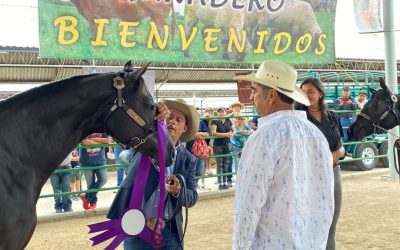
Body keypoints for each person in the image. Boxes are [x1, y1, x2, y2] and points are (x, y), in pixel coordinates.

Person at [232, 60, 334, 249]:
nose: (252, 97)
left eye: (255, 91)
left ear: (271, 95)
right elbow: (326, 202)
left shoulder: (263, 138)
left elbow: (248, 204)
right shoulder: (316, 136)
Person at [107, 99, 199, 250]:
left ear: (185, 128)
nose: (172, 122)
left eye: (178, 119)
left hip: (169, 232)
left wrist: (177, 191)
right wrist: (152, 111)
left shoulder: (188, 160)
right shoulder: (143, 142)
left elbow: (191, 198)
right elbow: (126, 121)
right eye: (169, 117)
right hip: (136, 227)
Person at [299, 77, 345, 250]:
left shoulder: (333, 116)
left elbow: (341, 147)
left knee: (330, 226)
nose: (306, 95)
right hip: (308, 176)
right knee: (308, 224)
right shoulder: (299, 117)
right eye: (303, 92)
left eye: (310, 91)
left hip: (333, 173)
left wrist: (336, 154)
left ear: (320, 94)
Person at [79, 133, 111, 210]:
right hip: (87, 162)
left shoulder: (103, 129)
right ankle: (93, 203)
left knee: (103, 179)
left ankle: (86, 197)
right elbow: (85, 142)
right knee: (90, 184)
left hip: (100, 161)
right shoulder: (85, 128)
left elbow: (108, 140)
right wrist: (101, 143)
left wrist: (92, 140)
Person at [211, 107, 234, 190]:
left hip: (227, 144)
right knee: (219, 165)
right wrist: (225, 134)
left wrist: (232, 134)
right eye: (220, 112)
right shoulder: (215, 121)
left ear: (225, 112)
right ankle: (220, 183)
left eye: (222, 111)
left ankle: (225, 183)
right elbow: (213, 133)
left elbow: (234, 130)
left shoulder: (228, 121)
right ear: (218, 113)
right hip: (218, 145)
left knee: (225, 164)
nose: (221, 113)